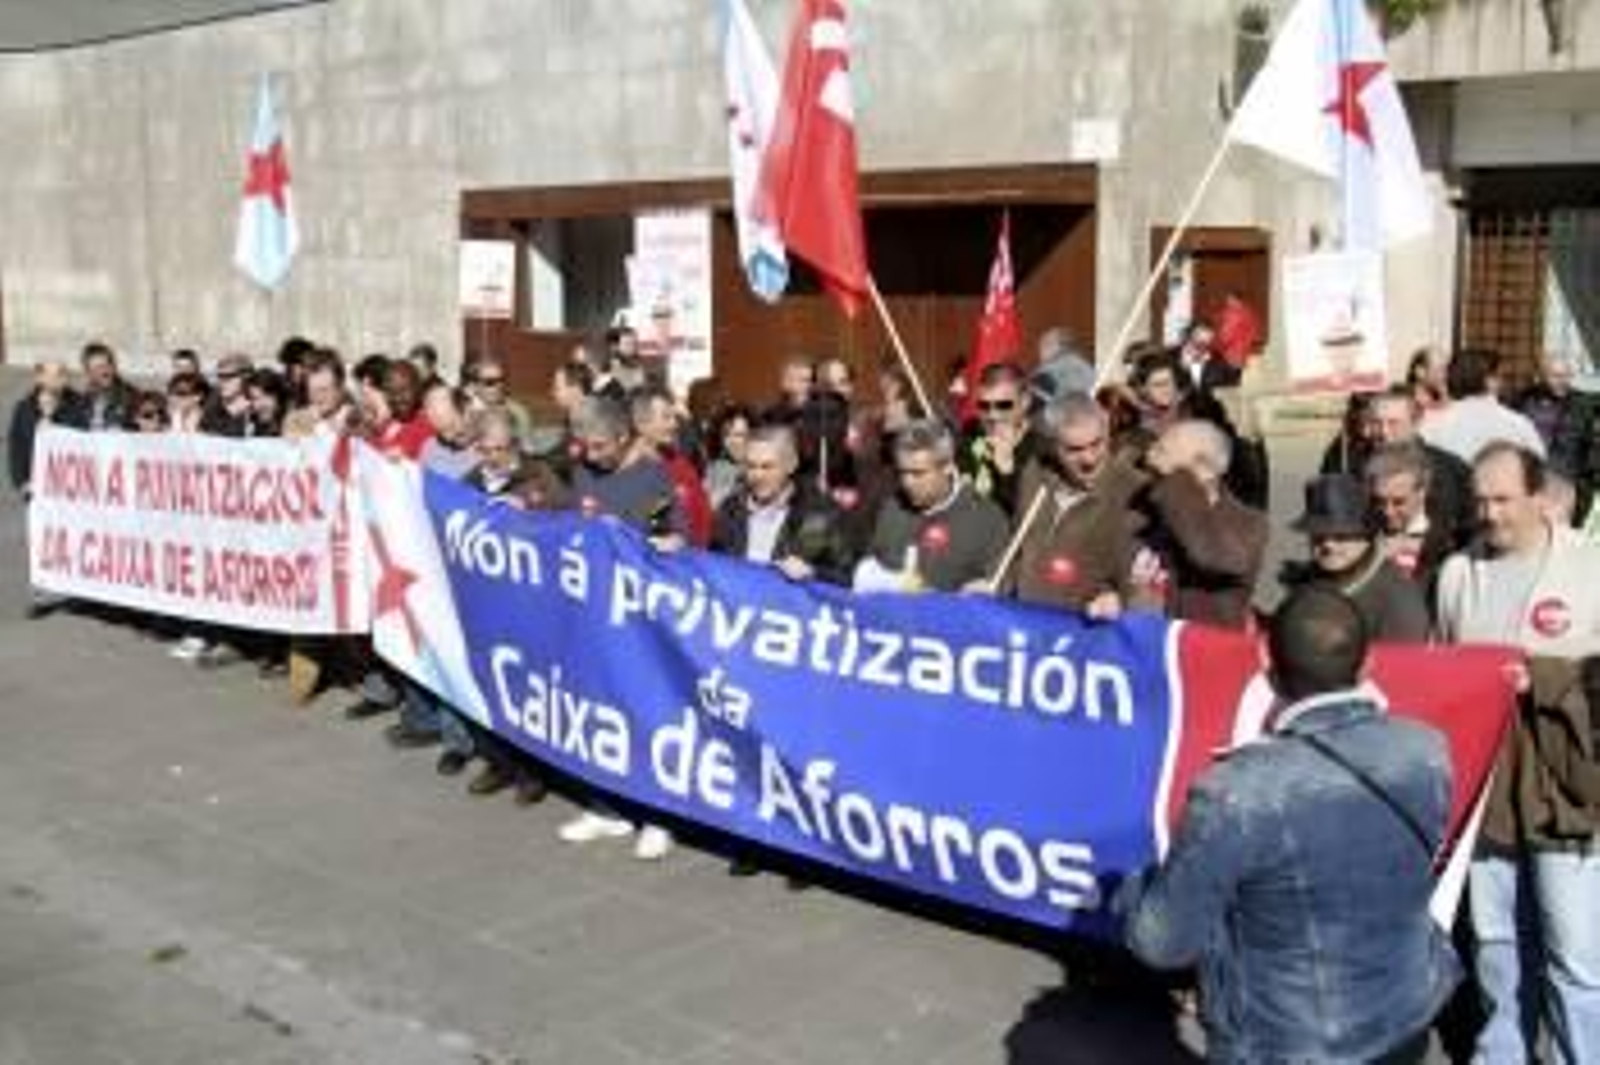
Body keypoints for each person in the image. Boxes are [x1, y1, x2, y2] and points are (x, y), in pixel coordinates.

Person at [1117, 586, 1459, 1064]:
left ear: (1266, 663)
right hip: (1406, 1015)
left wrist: (1133, 887)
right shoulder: (1427, 749)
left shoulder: (1237, 791)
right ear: (1367, 664)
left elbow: (1162, 942)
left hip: (1284, 1043)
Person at [1434, 443, 1600, 1065]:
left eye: (1503, 499)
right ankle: (1501, 1054)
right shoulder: (1458, 572)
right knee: (1497, 941)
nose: (1490, 514)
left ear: (1539, 497)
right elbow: (1442, 671)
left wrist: (1546, 676)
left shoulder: (1589, 565)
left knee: (1574, 954)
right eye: (1480, 500)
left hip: (1565, 789)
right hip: (1488, 785)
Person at [558, 396, 684, 861]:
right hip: (594, 611)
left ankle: (658, 816)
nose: (591, 455)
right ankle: (607, 807)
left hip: (638, 617)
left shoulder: (652, 478)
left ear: (624, 436)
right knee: (600, 709)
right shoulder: (584, 470)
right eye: (585, 446)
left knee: (645, 713)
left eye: (600, 446)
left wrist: (659, 541)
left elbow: (672, 535)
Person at [1002, 394, 1140, 616]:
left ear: (1107, 433)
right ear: (1053, 445)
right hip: (1023, 619)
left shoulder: (1135, 491)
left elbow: (1144, 577)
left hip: (1087, 626)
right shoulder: (1036, 474)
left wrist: (1120, 598)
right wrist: (992, 583)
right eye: (1074, 450)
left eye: (1097, 444)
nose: (1089, 459)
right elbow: (1017, 549)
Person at [1131, 419, 1268, 630]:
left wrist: (1176, 483)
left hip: (1202, 644)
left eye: (1162, 451)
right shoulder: (1146, 509)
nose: (1149, 455)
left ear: (1204, 468)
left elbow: (1213, 556)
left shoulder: (1248, 523)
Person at [857, 419, 1008, 594]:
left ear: (947, 467)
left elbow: (1000, 588)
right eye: (902, 472)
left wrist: (982, 591)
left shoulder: (985, 519)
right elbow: (868, 569)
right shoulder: (893, 508)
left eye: (918, 473)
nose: (907, 482)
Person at [1282, 474, 1431, 642]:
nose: (1328, 545)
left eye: (1341, 536)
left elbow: (1404, 657)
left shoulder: (1397, 598)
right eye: (1318, 536)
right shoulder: (1306, 584)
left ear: (1368, 536)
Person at [1365, 387, 1477, 548]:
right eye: (1377, 423)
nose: (1384, 432)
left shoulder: (1450, 469)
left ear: (1416, 423)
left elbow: (1469, 527)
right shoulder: (1356, 466)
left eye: (1393, 423)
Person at [1366, 442, 1458, 607]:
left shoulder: (1448, 543)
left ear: (1422, 492)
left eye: (1399, 502)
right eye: (1379, 501)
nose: (1387, 512)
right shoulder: (1362, 533)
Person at [1420, 348, 1545, 465]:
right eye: (1500, 376)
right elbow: (1539, 467)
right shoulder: (1517, 424)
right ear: (1490, 381)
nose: (1502, 382)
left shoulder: (1432, 424)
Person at [1515, 352, 1598, 524]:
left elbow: (1590, 445)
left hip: (1568, 480)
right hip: (1534, 478)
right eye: (1556, 376)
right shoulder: (1525, 399)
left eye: (1566, 376)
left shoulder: (1583, 403)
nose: (1562, 381)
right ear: (1542, 376)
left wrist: (1586, 479)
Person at [957, 363, 1039, 518]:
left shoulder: (1042, 451)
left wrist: (1006, 472)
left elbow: (1029, 515)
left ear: (1025, 402)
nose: (992, 415)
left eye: (1003, 405)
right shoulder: (969, 435)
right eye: (983, 406)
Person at [464, 357, 532, 441]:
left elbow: (525, 442)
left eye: (502, 380)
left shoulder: (517, 413)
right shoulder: (462, 411)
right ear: (473, 386)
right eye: (490, 382)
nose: (498, 386)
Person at [703, 404, 755, 511]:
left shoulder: (762, 469)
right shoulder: (717, 468)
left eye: (739, 435)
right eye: (726, 435)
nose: (732, 441)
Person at [80, 341, 134, 432]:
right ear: (88, 373)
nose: (104, 371)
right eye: (98, 367)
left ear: (114, 367)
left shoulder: (130, 397)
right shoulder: (83, 401)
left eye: (107, 365)